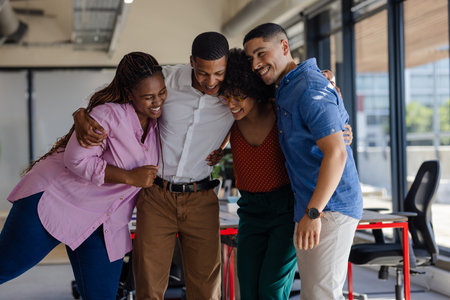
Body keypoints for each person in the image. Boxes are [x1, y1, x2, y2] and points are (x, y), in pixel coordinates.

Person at [73, 32, 235, 299]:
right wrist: (80, 113)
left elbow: (255, 109)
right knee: (148, 287)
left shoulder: (235, 89)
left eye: (219, 73)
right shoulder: (166, 80)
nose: (211, 81)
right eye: (204, 73)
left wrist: (223, 144)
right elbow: (117, 95)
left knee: (206, 290)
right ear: (192, 61)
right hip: (156, 196)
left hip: (202, 198)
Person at [0, 52, 166, 299]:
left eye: (161, 93)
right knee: (4, 267)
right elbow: (76, 159)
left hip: (104, 223)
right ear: (130, 94)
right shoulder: (109, 115)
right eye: (148, 97)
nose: (158, 102)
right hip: (57, 201)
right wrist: (130, 177)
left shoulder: (158, 123)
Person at [218, 48, 353, 299]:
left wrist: (344, 128)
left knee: (271, 289)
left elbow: (324, 101)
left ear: (255, 91)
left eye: (239, 96)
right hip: (249, 211)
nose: (232, 103)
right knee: (248, 288)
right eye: (226, 97)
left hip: (285, 209)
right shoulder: (228, 122)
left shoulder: (280, 110)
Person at [243, 23, 363, 300]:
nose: (256, 64)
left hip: (327, 207)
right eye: (251, 59)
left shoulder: (309, 87)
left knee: (321, 294)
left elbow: (337, 153)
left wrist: (313, 212)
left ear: (284, 47)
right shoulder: (289, 86)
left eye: (262, 54)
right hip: (310, 205)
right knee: (314, 292)